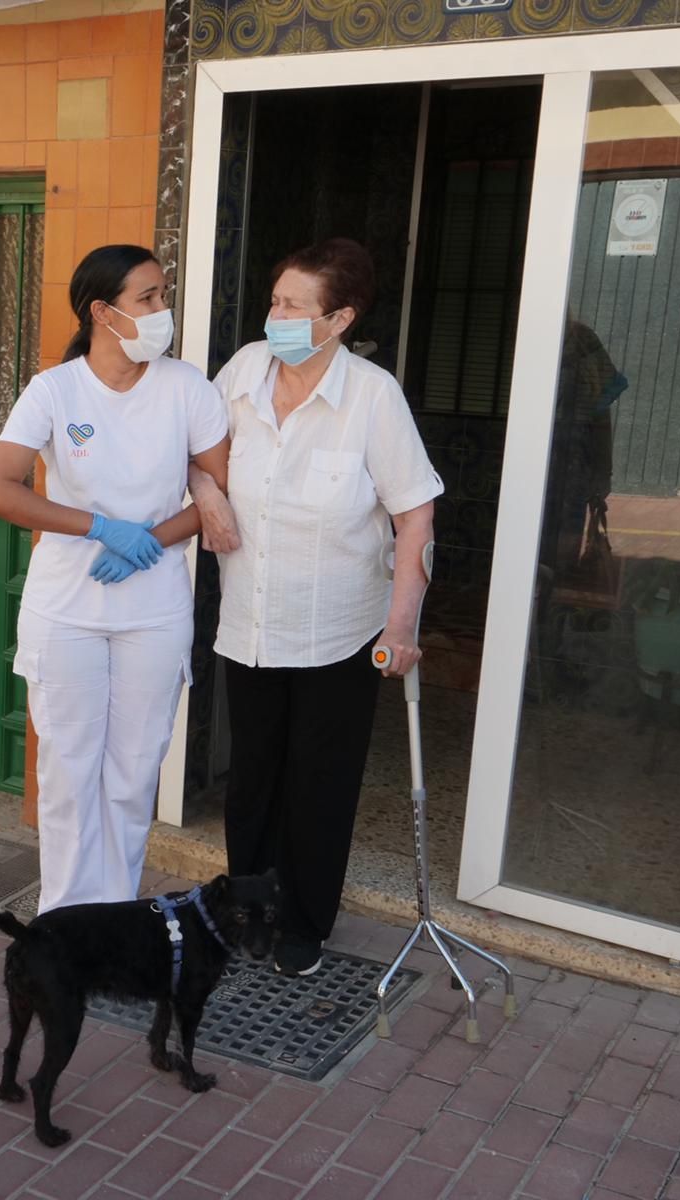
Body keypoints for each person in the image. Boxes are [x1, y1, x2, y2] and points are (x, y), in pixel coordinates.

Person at [190, 237, 442, 978]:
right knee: (253, 780)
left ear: (338, 319)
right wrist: (209, 499)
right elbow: (197, 456)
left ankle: (303, 925)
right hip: (252, 624)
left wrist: (401, 628)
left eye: (294, 306)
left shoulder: (372, 395)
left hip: (339, 629)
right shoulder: (242, 371)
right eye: (276, 301)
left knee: (318, 786)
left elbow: (415, 518)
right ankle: (248, 911)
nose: (277, 316)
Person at [0, 244, 230, 914]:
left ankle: (115, 914)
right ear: (102, 311)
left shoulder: (186, 387)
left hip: (153, 606)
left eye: (162, 295)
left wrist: (152, 538)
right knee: (68, 772)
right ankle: (64, 920)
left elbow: (226, 489)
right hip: (66, 607)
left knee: (131, 772)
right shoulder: (55, 390)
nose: (162, 311)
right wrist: (97, 527)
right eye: (147, 298)